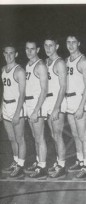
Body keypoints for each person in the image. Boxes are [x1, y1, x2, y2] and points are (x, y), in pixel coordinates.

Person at [65, 34, 86, 179]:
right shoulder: (66, 61)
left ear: (79, 43)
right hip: (69, 101)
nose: (71, 45)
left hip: (80, 101)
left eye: (73, 42)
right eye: (68, 42)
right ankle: (80, 160)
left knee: (83, 135)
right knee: (75, 135)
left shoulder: (84, 62)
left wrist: (81, 107)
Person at [43, 36, 68, 179]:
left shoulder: (59, 63)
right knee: (53, 135)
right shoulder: (46, 62)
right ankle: (59, 162)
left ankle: (62, 166)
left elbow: (63, 86)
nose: (48, 48)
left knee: (58, 135)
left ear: (57, 47)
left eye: (51, 45)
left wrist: (57, 108)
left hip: (57, 102)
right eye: (46, 45)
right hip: (48, 101)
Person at [23, 41, 48, 179]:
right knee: (35, 137)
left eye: (32, 49)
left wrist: (36, 110)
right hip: (29, 103)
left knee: (40, 137)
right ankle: (39, 162)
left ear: (37, 49)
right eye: (27, 49)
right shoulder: (28, 65)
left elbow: (44, 90)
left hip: (37, 105)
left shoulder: (40, 66)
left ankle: (42, 167)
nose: (29, 52)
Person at [1, 44, 26, 178]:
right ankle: (16, 161)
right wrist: (1, 108)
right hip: (6, 106)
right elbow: (4, 91)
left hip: (17, 107)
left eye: (12, 53)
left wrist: (17, 113)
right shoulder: (3, 70)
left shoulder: (19, 71)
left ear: (16, 54)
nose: (9, 56)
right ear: (3, 54)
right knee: (11, 138)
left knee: (19, 138)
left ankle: (21, 165)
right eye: (6, 53)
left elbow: (22, 94)